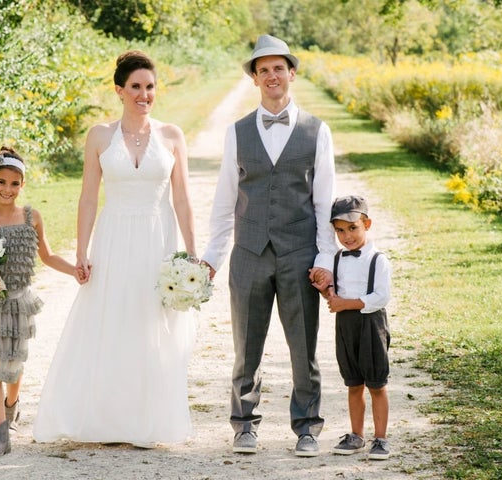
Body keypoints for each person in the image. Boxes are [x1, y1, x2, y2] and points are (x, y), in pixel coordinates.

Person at [32, 50, 197, 447]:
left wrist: (192, 256)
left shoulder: (172, 136)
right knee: (111, 320)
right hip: (114, 236)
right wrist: (82, 252)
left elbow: (183, 199)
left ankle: (148, 420)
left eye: (150, 87)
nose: (144, 94)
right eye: (136, 87)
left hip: (158, 239)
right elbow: (88, 198)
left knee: (151, 323)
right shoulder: (100, 136)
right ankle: (106, 418)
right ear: (120, 90)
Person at [201, 34, 337, 456]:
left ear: (291, 73)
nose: (272, 76)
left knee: (304, 348)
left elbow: (323, 202)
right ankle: (244, 424)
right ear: (255, 79)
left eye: (279, 68)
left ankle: (307, 427)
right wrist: (211, 258)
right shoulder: (237, 132)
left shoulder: (318, 130)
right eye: (264, 70)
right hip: (248, 253)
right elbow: (225, 201)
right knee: (246, 346)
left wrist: (325, 258)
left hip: (300, 256)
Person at [0, 146, 82, 458]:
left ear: (22, 185)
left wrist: (75, 270)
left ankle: (12, 405)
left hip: (18, 302)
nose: (7, 190)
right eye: (1, 182)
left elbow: (48, 255)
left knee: (14, 365)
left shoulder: (31, 218)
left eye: (14, 184)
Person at [312, 195, 392, 460]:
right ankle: (356, 435)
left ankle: (380, 439)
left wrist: (346, 303)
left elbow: (381, 297)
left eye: (353, 228)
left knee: (376, 384)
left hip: (371, 324)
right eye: (340, 231)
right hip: (346, 327)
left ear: (367, 224)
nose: (346, 236)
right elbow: (336, 299)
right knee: (354, 383)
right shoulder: (336, 259)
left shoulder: (378, 259)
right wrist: (327, 292)